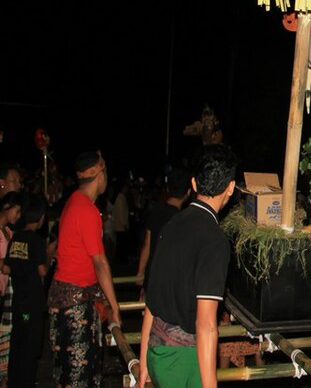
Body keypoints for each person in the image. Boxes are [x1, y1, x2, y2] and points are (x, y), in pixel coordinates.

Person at [139, 144, 237, 388]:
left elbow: (152, 300)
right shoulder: (214, 240)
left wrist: (143, 363)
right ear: (231, 189)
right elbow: (206, 324)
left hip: (157, 354)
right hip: (182, 362)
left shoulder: (172, 224)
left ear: (193, 184)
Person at [49, 151, 122, 388]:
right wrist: (115, 306)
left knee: (70, 373)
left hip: (71, 300)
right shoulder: (86, 210)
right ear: (99, 174)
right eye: (106, 171)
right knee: (78, 375)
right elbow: (100, 262)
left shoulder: (75, 201)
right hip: (75, 305)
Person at [3, 194, 47, 388]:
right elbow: (42, 271)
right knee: (30, 347)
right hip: (32, 305)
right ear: (41, 218)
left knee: (17, 345)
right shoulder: (36, 240)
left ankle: (14, 382)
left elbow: (7, 268)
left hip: (18, 302)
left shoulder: (16, 238)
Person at [135, 167, 191, 293]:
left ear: (167, 189)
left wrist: (140, 272)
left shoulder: (156, 211)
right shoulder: (182, 219)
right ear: (188, 192)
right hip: (168, 283)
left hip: (152, 277)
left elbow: (146, 244)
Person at [0, 193, 22, 386]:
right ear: (7, 207)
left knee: (6, 337)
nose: (19, 215)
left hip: (7, 290)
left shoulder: (9, 231)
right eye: (17, 210)